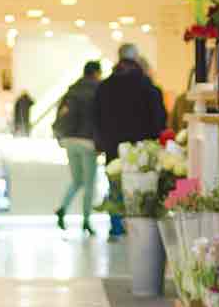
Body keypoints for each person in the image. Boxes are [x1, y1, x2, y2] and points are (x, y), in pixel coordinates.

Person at [94, 44, 167, 237]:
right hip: (141, 146)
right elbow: (158, 118)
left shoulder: (104, 87)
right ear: (136, 58)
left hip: (113, 145)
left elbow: (96, 117)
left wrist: (100, 142)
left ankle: (116, 226)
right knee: (142, 184)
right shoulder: (147, 86)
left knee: (116, 183)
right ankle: (139, 226)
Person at [52, 61, 103, 234]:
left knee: (76, 181)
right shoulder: (98, 89)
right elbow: (99, 117)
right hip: (87, 142)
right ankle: (86, 220)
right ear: (97, 73)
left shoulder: (72, 90)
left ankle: (63, 208)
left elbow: (60, 113)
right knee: (89, 183)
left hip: (69, 140)